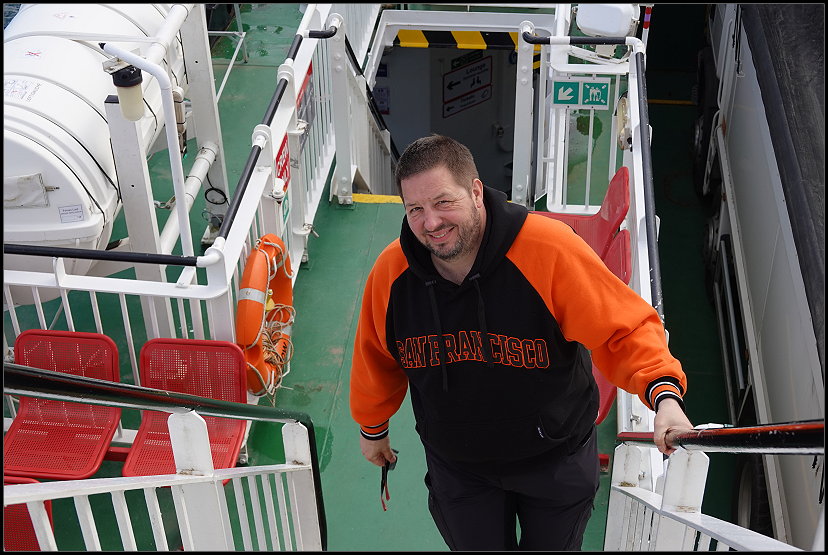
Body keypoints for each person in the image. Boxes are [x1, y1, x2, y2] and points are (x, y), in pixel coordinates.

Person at [349, 134, 694, 551]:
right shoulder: (392, 274)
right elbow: (376, 357)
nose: (431, 223)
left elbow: (622, 328)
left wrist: (664, 397)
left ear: (476, 192)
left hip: (556, 460)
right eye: (415, 210)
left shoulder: (547, 249)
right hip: (460, 470)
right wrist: (373, 428)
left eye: (443, 202)